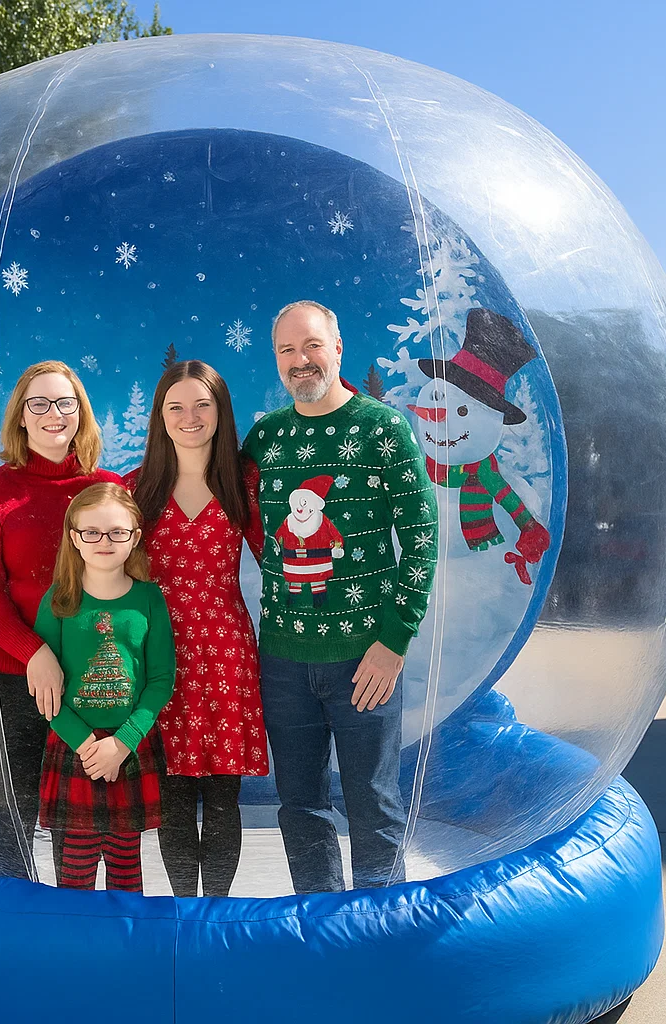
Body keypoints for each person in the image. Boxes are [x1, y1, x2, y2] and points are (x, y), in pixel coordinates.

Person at [242, 300, 439, 893]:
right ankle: (320, 932)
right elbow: (207, 485)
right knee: (300, 807)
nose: (300, 360)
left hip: (365, 658)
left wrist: (393, 642)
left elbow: (422, 542)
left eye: (311, 346)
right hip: (282, 658)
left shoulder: (383, 429)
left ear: (337, 348)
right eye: (286, 350)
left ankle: (380, 939)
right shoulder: (267, 438)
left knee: (373, 806)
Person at [0, 361, 122, 881]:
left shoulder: (107, 488)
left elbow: (125, 582)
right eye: (40, 404)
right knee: (16, 814)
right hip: (10, 674)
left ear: (81, 414)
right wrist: (35, 653)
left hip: (90, 678)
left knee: (82, 821)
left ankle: (74, 930)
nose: (54, 414)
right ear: (21, 418)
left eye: (65, 403)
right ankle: (12, 933)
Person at [126, 360, 268, 897]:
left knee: (224, 794)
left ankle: (217, 910)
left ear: (220, 411)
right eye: (176, 406)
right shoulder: (135, 488)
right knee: (175, 793)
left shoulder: (243, 480)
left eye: (202, 404)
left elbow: (280, 558)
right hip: (159, 655)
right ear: (160, 416)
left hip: (226, 650)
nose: (190, 417)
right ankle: (187, 910)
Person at [34, 483, 175, 891]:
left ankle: (126, 950)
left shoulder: (149, 599)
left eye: (117, 532)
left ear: (135, 536)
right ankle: (77, 950)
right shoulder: (59, 600)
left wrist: (123, 743)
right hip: (74, 747)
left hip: (128, 749)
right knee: (74, 872)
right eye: (91, 532)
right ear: (74, 537)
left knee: (126, 867)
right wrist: (84, 744)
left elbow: (161, 679)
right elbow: (47, 691)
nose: (104, 541)